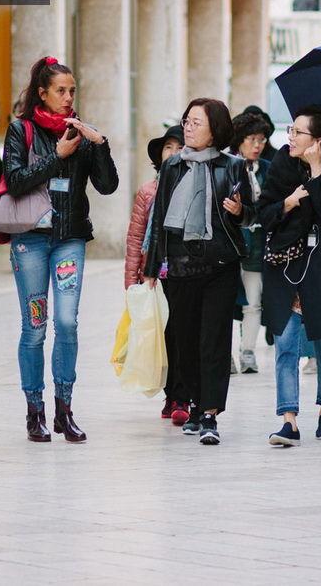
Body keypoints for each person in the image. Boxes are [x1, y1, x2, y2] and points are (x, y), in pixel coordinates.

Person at [5, 56, 119, 443]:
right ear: (42, 93)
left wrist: (99, 144)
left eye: (72, 91)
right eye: (61, 91)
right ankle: (33, 412)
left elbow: (107, 186)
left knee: (67, 323)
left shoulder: (82, 132)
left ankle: (64, 410)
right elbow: (16, 181)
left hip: (69, 239)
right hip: (30, 241)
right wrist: (59, 156)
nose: (69, 97)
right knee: (35, 326)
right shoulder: (20, 130)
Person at [142, 98, 255, 445]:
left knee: (214, 341)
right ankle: (191, 405)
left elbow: (251, 214)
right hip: (178, 264)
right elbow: (159, 219)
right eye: (186, 121)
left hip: (219, 263)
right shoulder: (173, 166)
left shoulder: (234, 166)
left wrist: (239, 211)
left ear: (215, 130)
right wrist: (150, 268)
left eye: (196, 123)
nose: (188, 128)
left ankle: (210, 413)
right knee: (185, 340)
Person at [257, 105, 321, 446]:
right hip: (286, 267)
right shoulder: (282, 164)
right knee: (285, 344)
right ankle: (289, 420)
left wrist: (317, 171)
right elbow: (265, 212)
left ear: (317, 140)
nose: (290, 137)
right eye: (290, 130)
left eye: (298, 132)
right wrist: (288, 203)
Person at [125, 125, 187, 423]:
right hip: (154, 274)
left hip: (185, 271)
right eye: (168, 148)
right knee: (160, 335)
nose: (173, 153)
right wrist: (131, 283)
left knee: (179, 333)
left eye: (179, 147)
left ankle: (179, 396)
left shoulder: (191, 186)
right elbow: (136, 237)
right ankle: (170, 394)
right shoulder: (149, 191)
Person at [229, 112, 271, 374]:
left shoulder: (268, 168)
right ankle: (225, 354)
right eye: (252, 139)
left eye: (262, 139)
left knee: (253, 301)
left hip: (257, 244)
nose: (257, 145)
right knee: (225, 301)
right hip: (231, 244)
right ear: (240, 140)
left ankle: (247, 351)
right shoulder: (227, 165)